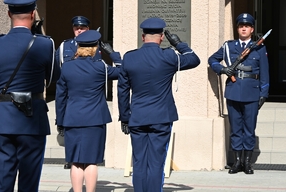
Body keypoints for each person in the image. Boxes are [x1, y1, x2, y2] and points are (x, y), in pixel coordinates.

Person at [0, 0, 60, 191]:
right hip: (32, 121)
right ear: (34, 13)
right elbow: (54, 77)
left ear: (9, 15)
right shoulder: (45, 44)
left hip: (2, 121)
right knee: (29, 183)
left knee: (2, 183)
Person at [117, 17, 200, 192]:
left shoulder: (130, 57)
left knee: (139, 162)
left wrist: (124, 117)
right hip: (161, 117)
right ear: (162, 37)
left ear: (142, 37)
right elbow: (194, 60)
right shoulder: (168, 56)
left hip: (137, 116)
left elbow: (122, 90)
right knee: (156, 163)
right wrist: (179, 44)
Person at [55, 30, 121, 192]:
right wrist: (113, 55)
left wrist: (60, 120)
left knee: (76, 161)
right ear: (95, 48)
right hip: (95, 120)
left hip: (73, 119)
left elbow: (60, 97)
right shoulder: (100, 67)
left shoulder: (67, 67)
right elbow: (122, 71)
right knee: (91, 161)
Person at [208, 13, 269, 174]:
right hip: (234, 91)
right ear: (237, 29)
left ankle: (247, 163)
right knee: (236, 128)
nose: (244, 28)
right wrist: (222, 69)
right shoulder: (229, 46)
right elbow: (212, 60)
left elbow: (265, 72)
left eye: (247, 26)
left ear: (252, 29)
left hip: (252, 92)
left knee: (249, 128)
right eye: (241, 26)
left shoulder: (259, 48)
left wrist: (264, 93)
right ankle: (236, 162)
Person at [55, 15, 91, 169]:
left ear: (88, 29)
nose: (79, 30)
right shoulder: (65, 46)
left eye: (82, 28)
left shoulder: (93, 45)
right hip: (68, 93)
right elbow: (57, 70)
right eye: (77, 28)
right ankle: (70, 158)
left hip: (87, 93)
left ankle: (87, 158)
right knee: (70, 130)